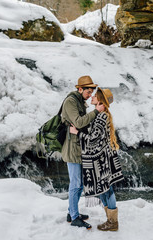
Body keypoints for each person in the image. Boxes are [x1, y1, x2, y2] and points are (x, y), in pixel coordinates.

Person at [70, 88, 124, 231]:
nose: (92, 96)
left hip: (101, 161)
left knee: (107, 190)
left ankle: (112, 223)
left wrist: (77, 133)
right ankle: (110, 220)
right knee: (104, 190)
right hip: (100, 160)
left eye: (95, 95)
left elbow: (93, 140)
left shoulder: (102, 117)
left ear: (100, 100)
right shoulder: (101, 115)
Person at [61, 75, 105, 229]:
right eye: (88, 91)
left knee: (79, 185)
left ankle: (71, 212)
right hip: (72, 149)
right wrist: (96, 112)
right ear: (80, 89)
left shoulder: (80, 101)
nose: (91, 94)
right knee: (76, 184)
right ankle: (74, 218)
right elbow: (79, 122)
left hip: (79, 147)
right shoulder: (71, 102)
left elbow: (82, 124)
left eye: (92, 90)